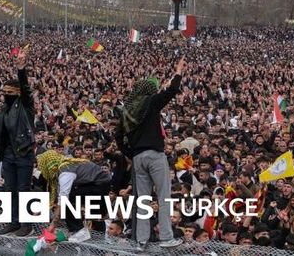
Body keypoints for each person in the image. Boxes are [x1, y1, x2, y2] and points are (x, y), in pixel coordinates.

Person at [116, 58, 186, 250]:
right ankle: (165, 237)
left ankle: (141, 241)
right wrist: (178, 73)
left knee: (143, 201)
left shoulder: (126, 111)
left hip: (138, 158)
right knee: (163, 197)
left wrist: (130, 153)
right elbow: (170, 92)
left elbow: (117, 136)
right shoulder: (151, 103)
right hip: (155, 155)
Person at [0, 48, 36, 237]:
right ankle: (13, 222)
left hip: (24, 153)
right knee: (9, 189)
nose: (6, 94)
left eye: (10, 91)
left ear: (18, 92)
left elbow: (26, 89)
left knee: (23, 190)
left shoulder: (26, 106)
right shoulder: (4, 109)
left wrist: (21, 69)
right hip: (9, 154)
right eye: (4, 91)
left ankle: (26, 224)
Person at [37, 149, 112, 243]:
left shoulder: (65, 171)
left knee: (68, 200)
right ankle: (97, 241)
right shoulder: (66, 164)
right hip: (98, 182)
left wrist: (53, 224)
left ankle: (79, 230)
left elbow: (63, 199)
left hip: (99, 184)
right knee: (95, 216)